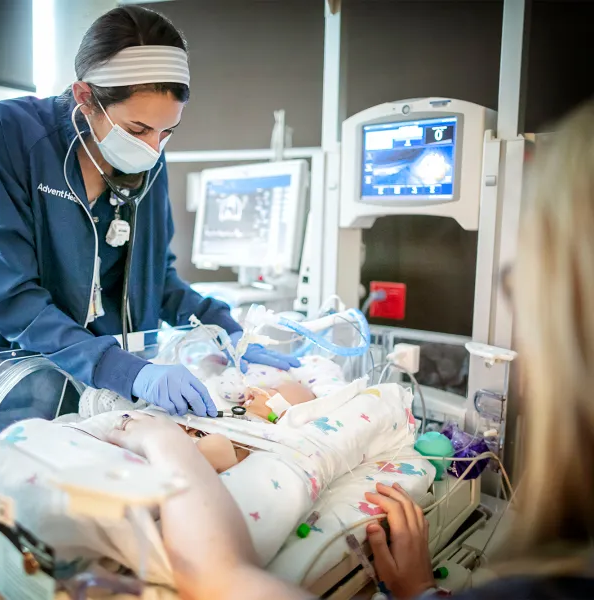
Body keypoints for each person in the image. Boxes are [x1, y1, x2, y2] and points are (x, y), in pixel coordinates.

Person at [106, 99, 594, 599]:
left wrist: (184, 439)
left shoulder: (312, 416)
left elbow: (223, 566)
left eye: (521, 279)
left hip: (269, 450)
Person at [0, 6, 298, 419]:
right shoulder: (11, 133)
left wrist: (227, 330)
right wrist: (126, 371)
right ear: (85, 98)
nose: (152, 148)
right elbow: (13, 298)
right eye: (137, 130)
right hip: (18, 378)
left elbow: (157, 280)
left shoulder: (147, 162)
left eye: (167, 132)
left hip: (104, 391)